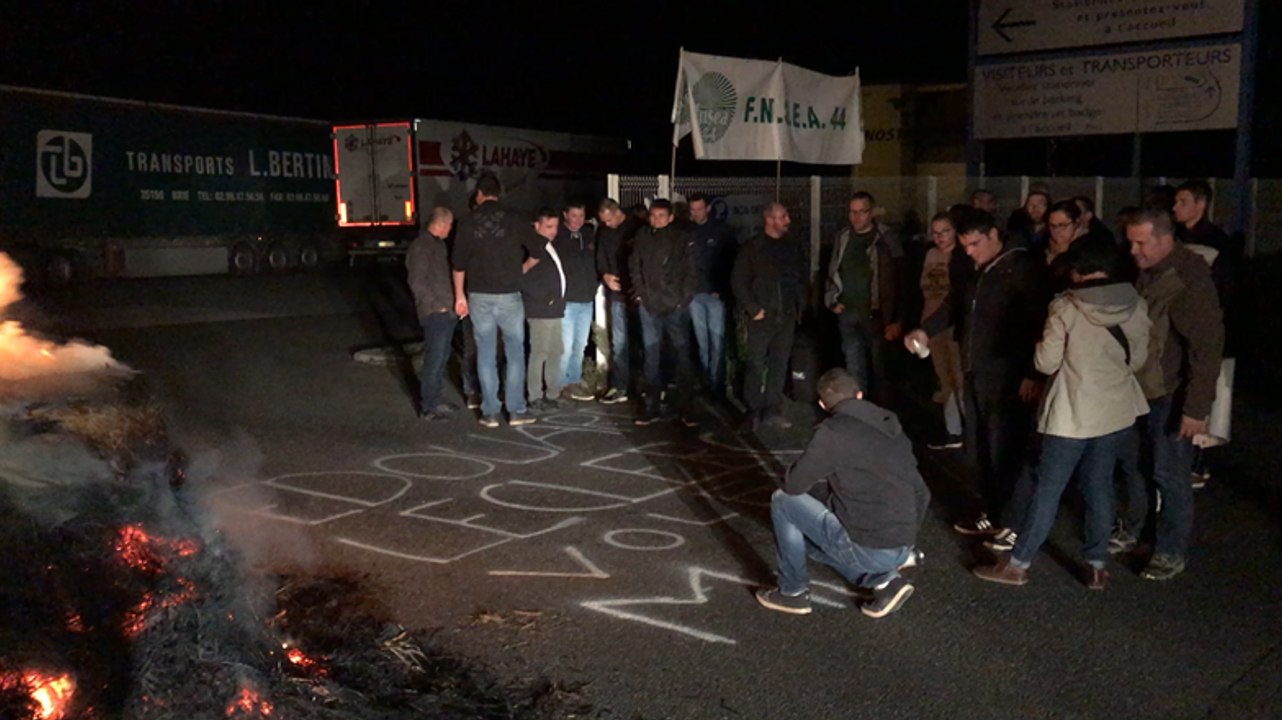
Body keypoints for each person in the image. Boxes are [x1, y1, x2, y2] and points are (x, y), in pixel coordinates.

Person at [973, 241, 1150, 590]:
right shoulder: (1135, 303)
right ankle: (1097, 564)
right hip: (1115, 411)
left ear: (1079, 269)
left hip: (1071, 412)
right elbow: (1139, 361)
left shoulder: (1066, 307)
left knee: (1047, 488)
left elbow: (1046, 362)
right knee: (1099, 485)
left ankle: (1017, 563)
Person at [904, 207, 1047, 539]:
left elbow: (1037, 325)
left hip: (1006, 375)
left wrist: (1032, 373)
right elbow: (955, 303)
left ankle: (1014, 522)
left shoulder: (1022, 268)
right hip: (976, 371)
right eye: (964, 245)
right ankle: (994, 510)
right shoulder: (976, 269)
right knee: (979, 447)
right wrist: (926, 329)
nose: (969, 252)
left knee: (1005, 447)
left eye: (975, 244)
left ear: (995, 234)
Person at [754, 368, 930, 618]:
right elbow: (922, 493)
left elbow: (794, 485)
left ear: (823, 405)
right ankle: (886, 582)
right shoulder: (891, 427)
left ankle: (792, 592)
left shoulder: (833, 433)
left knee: (783, 502)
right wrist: (904, 538)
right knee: (813, 537)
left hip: (871, 546)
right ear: (859, 395)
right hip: (903, 544)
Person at [1128, 208, 1224, 581]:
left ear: (1165, 239)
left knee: (1171, 474)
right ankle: (1142, 533)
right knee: (1141, 466)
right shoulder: (1152, 271)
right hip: (1144, 389)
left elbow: (1206, 348)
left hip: (1168, 394)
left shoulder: (1188, 280)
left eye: (1142, 242)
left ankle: (1170, 550)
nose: (1133, 250)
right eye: (1131, 241)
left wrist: (1196, 409)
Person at [451, 172, 542, 428]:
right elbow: (538, 250)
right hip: (510, 295)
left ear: (479, 194)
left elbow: (458, 264)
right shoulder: (515, 219)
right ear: (499, 193)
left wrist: (460, 296)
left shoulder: (467, 222)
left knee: (486, 353)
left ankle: (489, 411)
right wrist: (520, 269)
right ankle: (516, 410)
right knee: (515, 352)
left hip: (479, 296)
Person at [824, 191, 903, 403]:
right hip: (848, 311)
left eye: (861, 212)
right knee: (854, 366)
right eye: (852, 212)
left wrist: (896, 315)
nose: (856, 217)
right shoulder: (843, 237)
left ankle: (883, 411)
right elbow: (833, 269)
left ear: (871, 212)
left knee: (880, 367)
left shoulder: (885, 238)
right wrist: (832, 300)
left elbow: (899, 276)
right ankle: (860, 411)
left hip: (876, 314)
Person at [732, 202, 805, 429]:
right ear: (770, 220)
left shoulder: (791, 247)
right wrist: (753, 309)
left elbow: (800, 278)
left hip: (786, 315)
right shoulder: (752, 249)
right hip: (762, 317)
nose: (788, 220)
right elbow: (738, 281)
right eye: (783, 216)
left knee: (779, 364)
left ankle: (772, 409)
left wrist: (799, 307)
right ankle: (752, 409)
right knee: (755, 363)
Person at [631, 198, 697, 426]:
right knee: (651, 357)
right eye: (653, 215)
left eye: (661, 216)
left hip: (675, 305)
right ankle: (652, 407)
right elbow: (635, 265)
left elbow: (691, 270)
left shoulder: (681, 238)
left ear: (670, 217)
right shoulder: (642, 237)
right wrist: (640, 294)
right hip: (649, 305)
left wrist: (682, 299)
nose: (656, 220)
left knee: (681, 356)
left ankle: (686, 407)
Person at [406, 206, 459, 421]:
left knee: (441, 357)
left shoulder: (437, 245)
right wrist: (436, 305)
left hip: (445, 310)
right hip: (435, 312)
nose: (450, 229)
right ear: (441, 223)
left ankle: (436, 399)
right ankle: (428, 405)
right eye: (450, 225)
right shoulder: (422, 246)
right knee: (434, 358)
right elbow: (417, 281)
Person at [919, 211, 964, 449]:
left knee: (959, 376)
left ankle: (966, 429)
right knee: (943, 377)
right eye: (935, 233)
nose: (939, 237)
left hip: (953, 323)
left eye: (944, 232)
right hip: (932, 325)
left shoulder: (961, 256)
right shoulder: (931, 254)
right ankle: (952, 430)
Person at [686, 192, 736, 398]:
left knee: (716, 341)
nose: (696, 213)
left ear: (708, 209)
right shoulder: (686, 232)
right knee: (701, 342)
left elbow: (731, 261)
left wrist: (722, 289)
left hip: (715, 295)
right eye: (692, 210)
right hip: (694, 295)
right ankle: (706, 381)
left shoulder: (722, 231)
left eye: (699, 209)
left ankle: (717, 383)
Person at [523, 208, 567, 412]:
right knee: (539, 352)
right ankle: (535, 395)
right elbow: (524, 275)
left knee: (555, 351)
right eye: (548, 226)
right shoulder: (532, 247)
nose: (553, 231)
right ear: (536, 225)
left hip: (554, 308)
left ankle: (552, 392)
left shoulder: (548, 246)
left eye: (555, 226)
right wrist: (543, 298)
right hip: (540, 309)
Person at [555, 202, 598, 402]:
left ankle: (573, 380)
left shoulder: (589, 234)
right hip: (567, 300)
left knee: (580, 344)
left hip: (586, 299)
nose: (578, 219)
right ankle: (560, 383)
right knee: (565, 345)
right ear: (565, 215)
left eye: (581, 215)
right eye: (574, 215)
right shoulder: (558, 236)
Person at [595, 198, 633, 405]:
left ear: (617, 212)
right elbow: (600, 258)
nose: (607, 225)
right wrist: (605, 276)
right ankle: (620, 385)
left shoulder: (636, 227)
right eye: (604, 221)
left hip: (638, 294)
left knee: (645, 341)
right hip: (616, 294)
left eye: (609, 220)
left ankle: (648, 386)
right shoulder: (604, 232)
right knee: (619, 342)